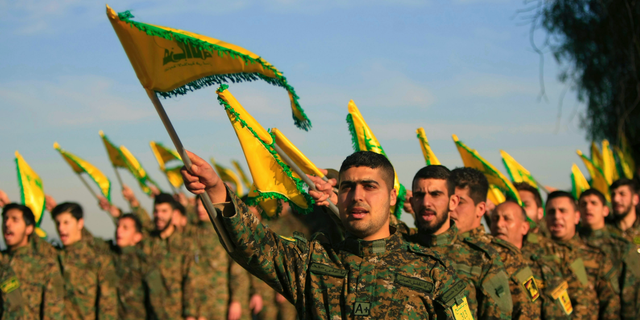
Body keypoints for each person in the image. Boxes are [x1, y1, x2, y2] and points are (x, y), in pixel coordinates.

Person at [181, 150, 473, 319]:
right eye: (347, 187)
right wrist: (217, 189)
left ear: (393, 196)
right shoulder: (312, 263)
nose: (357, 197)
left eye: (370, 187)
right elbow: (254, 246)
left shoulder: (434, 274)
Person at [405, 165, 512, 320]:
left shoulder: (482, 259)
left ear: (453, 202)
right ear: (412, 202)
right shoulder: (398, 250)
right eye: (419, 195)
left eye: (436, 194)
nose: (426, 203)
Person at [449, 167, 538, 319]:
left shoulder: (505, 255)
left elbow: (527, 312)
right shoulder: (433, 247)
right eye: (450, 201)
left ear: (481, 209)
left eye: (460, 202)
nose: (451, 208)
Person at [490, 200, 571, 319]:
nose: (499, 224)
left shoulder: (541, 264)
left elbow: (559, 313)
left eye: (507, 219)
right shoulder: (482, 261)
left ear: (524, 227)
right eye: (495, 219)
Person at [545, 191, 620, 320]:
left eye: (563, 211)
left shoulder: (596, 257)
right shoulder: (534, 256)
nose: (557, 216)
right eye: (552, 212)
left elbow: (610, 306)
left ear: (576, 217)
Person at [184, 196, 250, 320]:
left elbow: (237, 271)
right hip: (198, 303)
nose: (199, 209)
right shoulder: (192, 232)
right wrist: (191, 311)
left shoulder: (224, 232)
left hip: (220, 302)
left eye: (203, 205)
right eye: (197, 205)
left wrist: (236, 300)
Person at [578, 188, 640, 320]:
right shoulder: (571, 245)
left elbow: (631, 294)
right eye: (583, 204)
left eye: (594, 203)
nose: (588, 207)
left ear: (605, 210)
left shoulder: (621, 246)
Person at [51, 202, 118, 320]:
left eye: (66, 223)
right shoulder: (53, 258)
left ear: (80, 223)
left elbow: (108, 306)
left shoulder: (99, 260)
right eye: (58, 223)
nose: (61, 228)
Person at [1, 203, 64, 319]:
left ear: (29, 228)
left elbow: (54, 312)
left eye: (15, 220)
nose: (7, 224)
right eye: (5, 219)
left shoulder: (45, 266)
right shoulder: (2, 261)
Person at [140, 193, 195, 319]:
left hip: (177, 314)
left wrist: (190, 314)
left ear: (174, 214)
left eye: (164, 211)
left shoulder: (185, 244)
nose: (159, 216)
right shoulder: (148, 243)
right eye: (156, 211)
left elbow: (191, 281)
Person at [111, 213, 169, 319]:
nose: (119, 231)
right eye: (118, 226)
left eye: (125, 228)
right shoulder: (108, 256)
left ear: (137, 236)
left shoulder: (143, 262)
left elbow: (156, 303)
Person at [608, 178, 640, 244]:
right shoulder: (605, 230)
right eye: (613, 195)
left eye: (622, 194)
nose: (616, 199)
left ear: (635, 199)